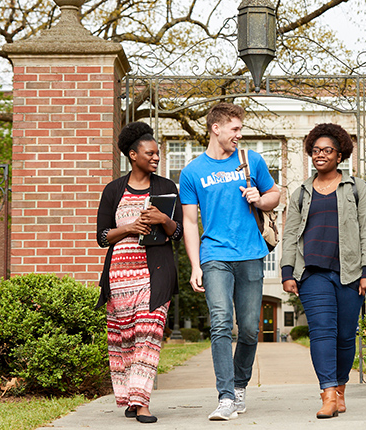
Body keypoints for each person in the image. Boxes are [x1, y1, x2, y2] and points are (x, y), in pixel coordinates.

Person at [178, 102, 281, 421]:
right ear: (216, 128)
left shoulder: (252, 160)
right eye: (235, 129)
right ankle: (225, 396)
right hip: (214, 256)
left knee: (249, 329)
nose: (239, 134)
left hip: (250, 254)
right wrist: (195, 265)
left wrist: (259, 198)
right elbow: (191, 223)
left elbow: (275, 194)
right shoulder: (192, 171)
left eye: (240, 129)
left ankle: (239, 385)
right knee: (221, 322)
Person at [280, 123, 366, 419]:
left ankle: (340, 388)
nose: (320, 155)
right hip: (312, 272)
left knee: (346, 336)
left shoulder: (357, 188)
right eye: (315, 151)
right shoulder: (301, 192)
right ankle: (326, 394)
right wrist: (287, 271)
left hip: (349, 272)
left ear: (340, 155)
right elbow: (289, 235)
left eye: (327, 151)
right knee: (322, 332)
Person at [95, 122, 183, 424]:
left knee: (149, 334)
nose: (156, 158)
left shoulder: (167, 188)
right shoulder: (114, 190)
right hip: (119, 276)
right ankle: (131, 399)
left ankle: (142, 402)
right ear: (133, 155)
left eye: (157, 153)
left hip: (154, 274)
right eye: (150, 153)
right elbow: (102, 237)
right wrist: (130, 228)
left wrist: (163, 219)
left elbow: (178, 232)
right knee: (127, 340)